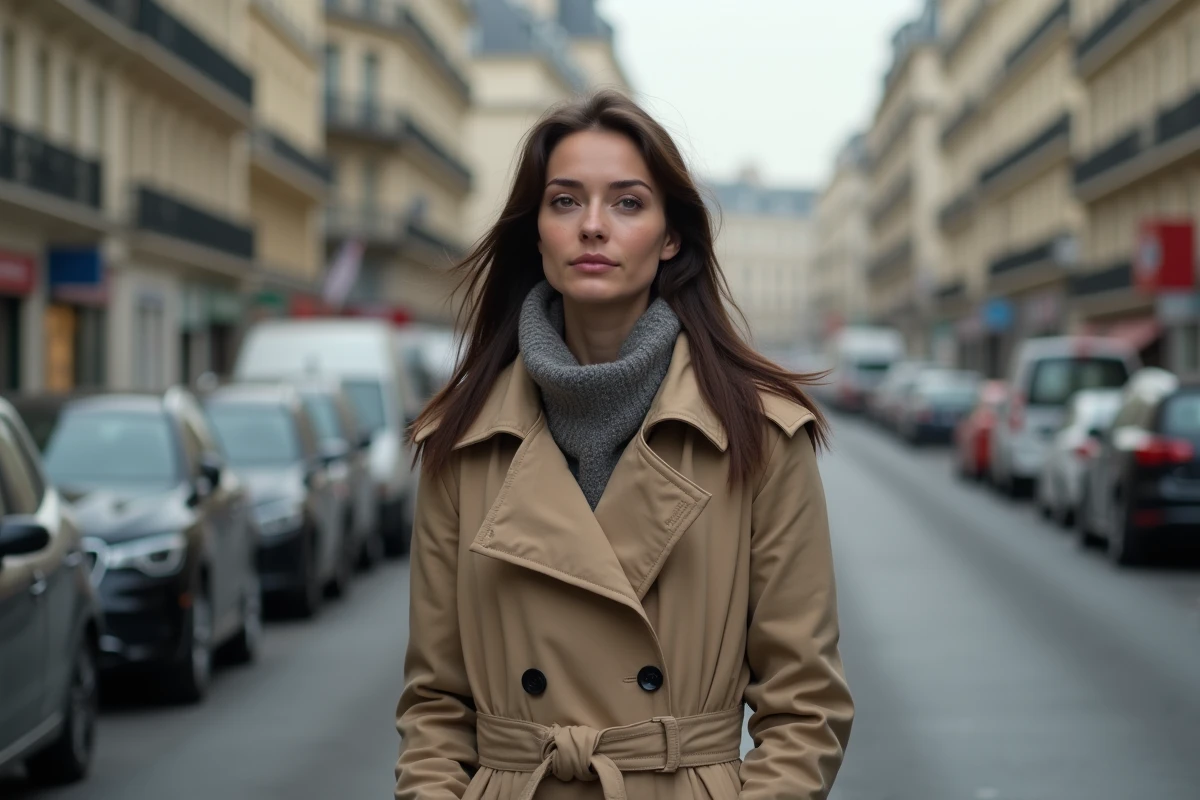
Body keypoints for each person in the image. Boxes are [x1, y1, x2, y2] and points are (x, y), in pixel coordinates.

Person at [396, 90, 853, 800]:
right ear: (537, 231)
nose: (594, 227)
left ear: (671, 236)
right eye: (567, 202)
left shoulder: (757, 435)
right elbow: (434, 707)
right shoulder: (460, 440)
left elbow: (805, 708)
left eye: (628, 203)